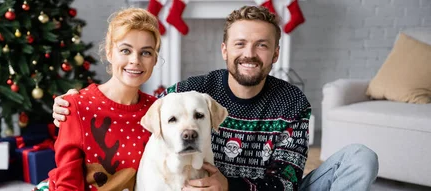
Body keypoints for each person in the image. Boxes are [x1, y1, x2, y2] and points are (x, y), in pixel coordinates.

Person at [52, 5, 379, 191]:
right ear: (224, 49)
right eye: (239, 44)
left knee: (360, 157)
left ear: (275, 52)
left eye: (261, 45)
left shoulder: (292, 102)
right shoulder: (192, 93)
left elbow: (288, 181)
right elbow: (142, 108)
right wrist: (75, 102)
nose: (249, 54)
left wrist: (228, 188)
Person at [36, 7, 162, 191]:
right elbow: (68, 185)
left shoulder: (157, 111)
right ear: (110, 53)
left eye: (146, 52)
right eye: (126, 50)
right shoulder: (76, 106)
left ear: (154, 60)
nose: (135, 60)